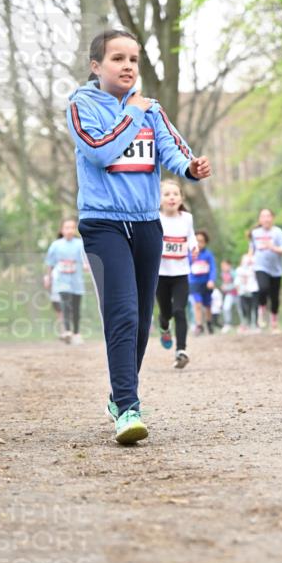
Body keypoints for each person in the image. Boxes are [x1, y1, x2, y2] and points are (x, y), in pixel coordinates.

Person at [67, 27, 211, 445]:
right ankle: (129, 409)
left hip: (148, 224)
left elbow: (172, 150)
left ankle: (119, 396)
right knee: (123, 314)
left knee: (143, 323)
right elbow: (99, 150)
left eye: (134, 59)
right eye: (118, 58)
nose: (128, 66)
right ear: (97, 66)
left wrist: (191, 168)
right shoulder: (82, 104)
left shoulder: (152, 108)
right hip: (103, 224)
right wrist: (132, 114)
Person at [156, 179, 197, 369]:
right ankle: (164, 327)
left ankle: (181, 350)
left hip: (180, 273)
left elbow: (191, 237)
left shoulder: (187, 218)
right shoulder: (155, 218)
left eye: (175, 194)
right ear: (159, 198)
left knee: (179, 310)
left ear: (181, 198)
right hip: (160, 274)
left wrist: (194, 247)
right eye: (167, 194)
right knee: (166, 313)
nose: (171, 198)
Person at [44, 218, 86, 344]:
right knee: (65, 305)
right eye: (67, 228)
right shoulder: (56, 245)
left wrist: (86, 265)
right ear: (62, 230)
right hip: (61, 281)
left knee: (76, 308)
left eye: (72, 228)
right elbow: (50, 263)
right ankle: (67, 331)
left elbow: (85, 259)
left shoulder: (80, 244)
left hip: (76, 281)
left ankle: (77, 333)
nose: (69, 230)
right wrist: (48, 277)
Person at [249, 208, 282, 332]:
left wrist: (273, 247)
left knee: (274, 296)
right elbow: (252, 249)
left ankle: (274, 321)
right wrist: (250, 258)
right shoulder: (255, 233)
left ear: (272, 218)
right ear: (260, 219)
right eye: (263, 216)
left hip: (276, 269)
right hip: (260, 266)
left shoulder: (278, 232)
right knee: (263, 288)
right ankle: (261, 309)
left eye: (268, 216)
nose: (266, 219)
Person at [189, 230, 216, 335]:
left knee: (207, 305)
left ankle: (209, 323)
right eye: (197, 241)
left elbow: (213, 268)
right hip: (194, 282)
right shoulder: (190, 254)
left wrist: (211, 280)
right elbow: (186, 266)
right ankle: (199, 325)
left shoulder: (208, 255)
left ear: (205, 242)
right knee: (197, 304)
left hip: (206, 283)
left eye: (201, 241)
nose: (199, 243)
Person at [235, 253, 259, 332]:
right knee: (245, 308)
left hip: (253, 290)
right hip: (243, 292)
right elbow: (237, 281)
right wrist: (238, 290)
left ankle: (255, 324)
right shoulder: (239, 270)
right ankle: (246, 324)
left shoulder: (255, 269)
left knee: (254, 308)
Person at [219, 260, 238, 333]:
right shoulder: (223, 274)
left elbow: (237, 284)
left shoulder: (233, 273)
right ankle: (227, 324)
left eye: (224, 266)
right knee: (226, 308)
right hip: (229, 294)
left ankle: (244, 324)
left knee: (240, 309)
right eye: (222, 266)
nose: (223, 268)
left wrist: (227, 287)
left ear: (229, 265)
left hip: (237, 294)